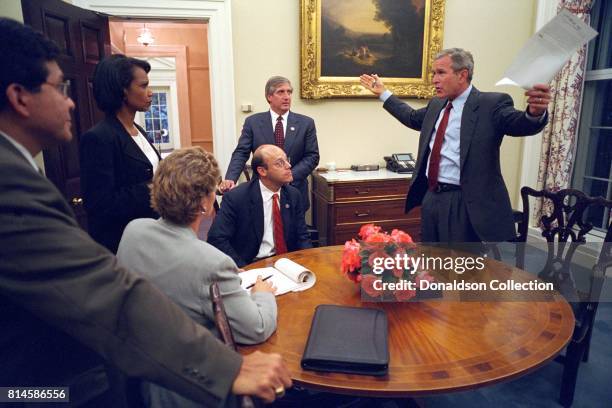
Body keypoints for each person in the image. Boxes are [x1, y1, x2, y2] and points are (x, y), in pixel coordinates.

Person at [0, 17, 291, 407]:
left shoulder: (136, 147)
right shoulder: (15, 181)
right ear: (20, 97)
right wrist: (228, 369)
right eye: (60, 87)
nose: (70, 100)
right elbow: (113, 291)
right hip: (32, 384)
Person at [117, 146, 278, 407]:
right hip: (192, 387)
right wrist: (263, 296)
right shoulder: (212, 262)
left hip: (137, 376)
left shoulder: (133, 231)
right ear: (205, 202)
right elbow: (256, 329)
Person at [360, 48, 551, 244]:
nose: (434, 79)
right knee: (432, 263)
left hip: (464, 203)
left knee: (461, 269)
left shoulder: (491, 104)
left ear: (462, 75)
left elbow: (521, 123)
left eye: (441, 73)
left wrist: (535, 113)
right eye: (433, 73)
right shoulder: (437, 105)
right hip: (432, 198)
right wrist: (383, 93)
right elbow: (411, 117)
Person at [80, 54, 161, 253]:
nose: (150, 93)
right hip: (123, 245)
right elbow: (100, 204)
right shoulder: (99, 138)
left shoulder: (138, 131)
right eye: (143, 86)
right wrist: (156, 187)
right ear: (123, 90)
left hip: (152, 235)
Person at [220, 76, 319, 212]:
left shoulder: (306, 123)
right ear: (269, 97)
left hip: (294, 189)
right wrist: (231, 178)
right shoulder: (253, 122)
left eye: (289, 92)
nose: (287, 97)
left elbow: (312, 156)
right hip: (261, 189)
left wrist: (288, 176)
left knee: (293, 232)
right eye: (281, 92)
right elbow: (241, 152)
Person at [209, 144, 312, 267]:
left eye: (287, 160)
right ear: (262, 171)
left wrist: (307, 262)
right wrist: (242, 269)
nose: (289, 166)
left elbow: (302, 236)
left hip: (287, 263)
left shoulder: (293, 195)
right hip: (251, 263)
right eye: (280, 163)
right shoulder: (237, 197)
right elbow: (217, 238)